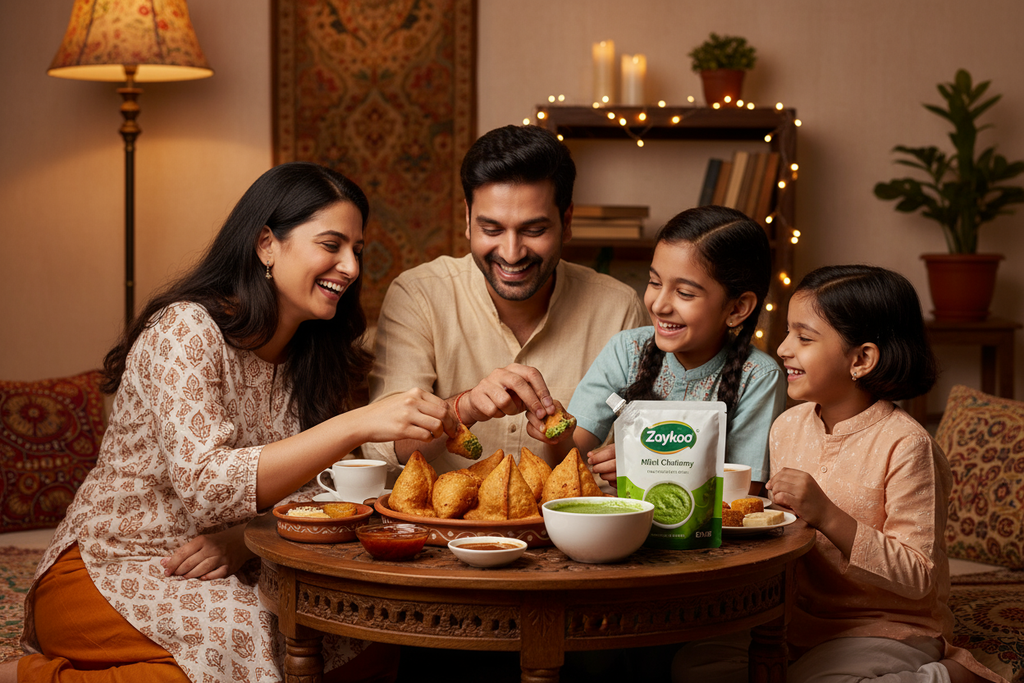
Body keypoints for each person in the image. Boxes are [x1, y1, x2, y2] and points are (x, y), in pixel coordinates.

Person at [5, 162, 455, 683]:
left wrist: (245, 538)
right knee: (247, 647)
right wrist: (357, 424)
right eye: (331, 245)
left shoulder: (314, 354)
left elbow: (324, 493)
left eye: (358, 250)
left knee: (365, 638)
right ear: (267, 244)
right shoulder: (185, 330)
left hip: (231, 563)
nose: (350, 267)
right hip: (115, 564)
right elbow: (208, 487)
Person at [673, 264, 1005, 683]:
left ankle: (955, 675)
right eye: (788, 333)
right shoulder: (787, 427)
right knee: (694, 667)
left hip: (885, 626)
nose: (783, 348)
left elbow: (920, 575)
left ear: (862, 359)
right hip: (797, 618)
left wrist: (829, 516)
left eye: (804, 337)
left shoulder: (907, 445)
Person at [363, 125, 647, 474]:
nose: (512, 254)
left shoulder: (618, 308)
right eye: (492, 229)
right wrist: (462, 409)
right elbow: (382, 453)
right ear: (468, 220)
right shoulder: (418, 294)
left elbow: (637, 453)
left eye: (534, 230)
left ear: (567, 221)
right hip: (444, 527)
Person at [558, 205, 786, 489]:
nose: (659, 304)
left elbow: (743, 491)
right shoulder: (627, 349)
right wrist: (554, 430)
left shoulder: (758, 377)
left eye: (684, 293)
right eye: (654, 282)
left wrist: (645, 465)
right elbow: (570, 454)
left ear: (738, 308)